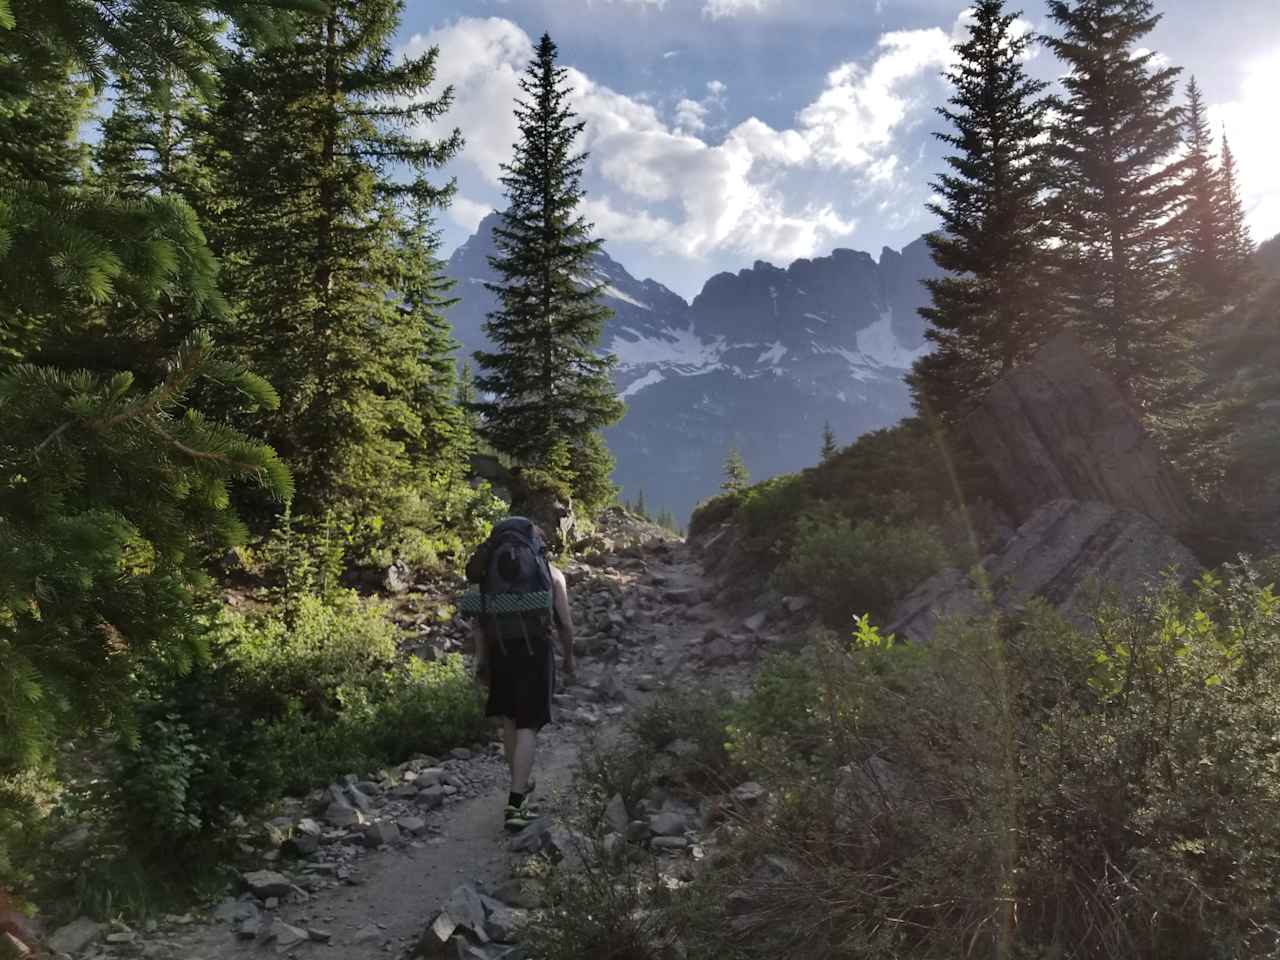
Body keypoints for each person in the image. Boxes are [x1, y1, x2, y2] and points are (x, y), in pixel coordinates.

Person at [470, 537, 575, 830]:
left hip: (499, 651)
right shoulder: (552, 574)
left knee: (510, 722)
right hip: (535, 652)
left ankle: (518, 785)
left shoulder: (491, 577)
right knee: (529, 724)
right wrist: (569, 658)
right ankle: (516, 804)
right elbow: (565, 623)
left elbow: (477, 623)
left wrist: (481, 661)